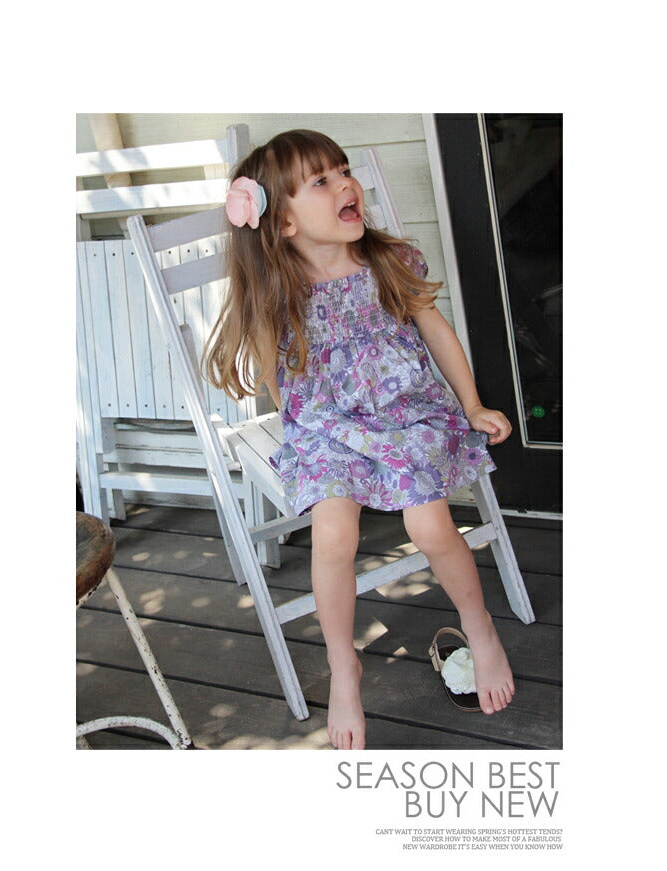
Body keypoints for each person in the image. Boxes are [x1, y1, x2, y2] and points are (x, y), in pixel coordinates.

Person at [204, 129, 515, 750]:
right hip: (329, 428)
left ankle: (479, 627)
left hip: (408, 415)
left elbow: (436, 331)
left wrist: (473, 404)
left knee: (430, 524)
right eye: (321, 181)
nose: (346, 184)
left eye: (344, 170)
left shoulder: (388, 261)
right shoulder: (278, 287)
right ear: (283, 222)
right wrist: (303, 414)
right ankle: (343, 663)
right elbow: (273, 374)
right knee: (333, 533)